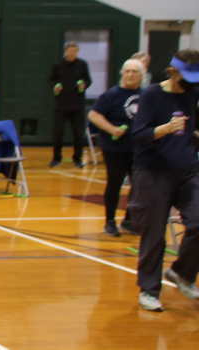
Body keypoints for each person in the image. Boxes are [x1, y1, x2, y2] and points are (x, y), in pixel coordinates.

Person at [127, 49, 199, 312]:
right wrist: (166, 128)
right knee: (154, 233)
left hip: (188, 169)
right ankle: (149, 289)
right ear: (173, 71)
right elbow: (139, 135)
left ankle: (182, 273)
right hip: (153, 171)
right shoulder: (152, 95)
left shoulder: (193, 93)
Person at [88, 59, 145, 237]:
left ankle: (128, 220)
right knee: (115, 183)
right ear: (122, 73)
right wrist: (111, 129)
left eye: (134, 71)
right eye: (127, 71)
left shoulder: (146, 95)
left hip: (139, 148)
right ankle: (109, 222)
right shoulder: (111, 94)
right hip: (115, 148)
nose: (130, 74)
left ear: (141, 75)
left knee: (139, 185)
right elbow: (93, 115)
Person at [50, 41, 92, 168]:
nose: (72, 53)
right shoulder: (58, 65)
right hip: (61, 105)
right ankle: (56, 158)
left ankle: (77, 159)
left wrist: (84, 85)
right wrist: (54, 87)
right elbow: (51, 80)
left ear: (77, 51)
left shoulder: (82, 64)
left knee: (79, 133)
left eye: (75, 50)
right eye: (70, 50)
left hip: (78, 105)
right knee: (58, 132)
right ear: (66, 51)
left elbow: (88, 79)